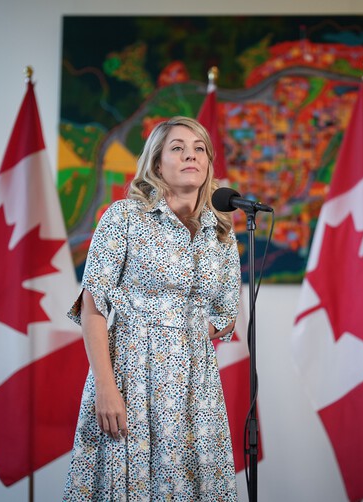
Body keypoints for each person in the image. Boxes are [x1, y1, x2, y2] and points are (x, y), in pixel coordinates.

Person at [63, 116, 241, 501]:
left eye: (199, 149)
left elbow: (225, 315)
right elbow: (92, 308)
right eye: (178, 148)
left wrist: (186, 333)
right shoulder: (123, 217)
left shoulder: (222, 233)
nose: (191, 155)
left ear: (209, 163)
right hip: (131, 376)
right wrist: (106, 387)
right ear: (157, 163)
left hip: (196, 388)